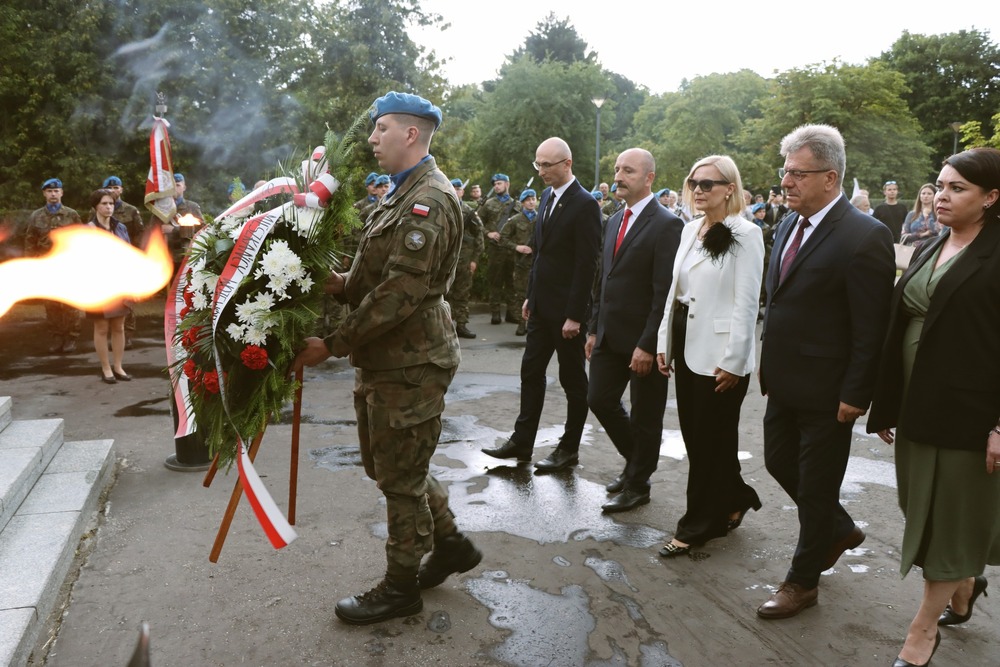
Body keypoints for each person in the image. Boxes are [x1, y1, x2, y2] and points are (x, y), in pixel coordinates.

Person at [293, 92, 481, 626]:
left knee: (400, 478)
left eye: (380, 130)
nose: (371, 140)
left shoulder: (430, 201)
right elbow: (376, 275)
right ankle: (449, 544)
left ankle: (400, 587)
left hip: (411, 361)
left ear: (411, 135)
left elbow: (400, 293)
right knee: (392, 465)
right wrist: (335, 280)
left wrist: (331, 344)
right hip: (388, 359)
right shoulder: (401, 194)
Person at [867, 148, 1000, 667]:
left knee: (948, 523)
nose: (941, 196)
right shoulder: (932, 242)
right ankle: (964, 584)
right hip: (918, 405)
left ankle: (921, 634)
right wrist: (888, 400)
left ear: (992, 198)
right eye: (940, 185)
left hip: (969, 414)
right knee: (918, 509)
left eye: (957, 188)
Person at [756, 124, 895, 620]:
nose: (786, 182)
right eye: (785, 171)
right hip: (783, 384)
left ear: (830, 177)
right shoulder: (790, 225)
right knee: (777, 463)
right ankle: (837, 529)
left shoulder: (865, 236)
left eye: (797, 173)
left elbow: (870, 327)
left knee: (816, 489)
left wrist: (857, 393)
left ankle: (802, 582)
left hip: (830, 392)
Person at [654, 155, 764, 554]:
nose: (699, 190)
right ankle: (735, 497)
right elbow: (674, 293)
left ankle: (698, 524)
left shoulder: (746, 234)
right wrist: (664, 343)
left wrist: (735, 360)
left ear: (729, 188)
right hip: (686, 342)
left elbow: (747, 303)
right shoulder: (689, 230)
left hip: (721, 352)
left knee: (708, 439)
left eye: (709, 184)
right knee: (701, 437)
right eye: (694, 183)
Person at [481, 137, 601, 471]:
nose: (542, 170)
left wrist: (576, 315)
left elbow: (587, 263)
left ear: (568, 163)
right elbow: (540, 253)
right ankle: (522, 442)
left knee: (573, 380)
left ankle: (569, 448)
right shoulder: (547, 197)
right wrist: (531, 297)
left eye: (547, 164)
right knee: (531, 372)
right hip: (541, 307)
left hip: (567, 314)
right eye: (538, 164)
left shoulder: (585, 204)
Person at [587, 148, 682, 512]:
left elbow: (664, 293)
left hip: (645, 341)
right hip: (609, 335)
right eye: (616, 169)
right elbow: (603, 281)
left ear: (649, 178)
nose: (618, 176)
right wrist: (594, 328)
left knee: (646, 415)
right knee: (599, 399)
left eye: (628, 170)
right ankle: (637, 463)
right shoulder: (612, 220)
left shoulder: (667, 224)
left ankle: (638, 482)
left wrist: (648, 344)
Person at [24, 178, 84, 353]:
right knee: (51, 305)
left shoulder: (72, 215)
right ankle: (57, 337)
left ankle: (71, 338)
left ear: (62, 193)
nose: (53, 194)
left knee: (70, 304)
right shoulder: (36, 216)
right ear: (44, 193)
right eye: (49, 191)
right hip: (46, 268)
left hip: (68, 267)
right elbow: (30, 242)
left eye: (56, 191)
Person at [85, 189, 132, 384]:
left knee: (119, 327)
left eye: (111, 204)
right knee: (102, 327)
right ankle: (106, 368)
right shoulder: (89, 229)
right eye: (104, 203)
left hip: (120, 284)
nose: (108, 207)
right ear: (96, 206)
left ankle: (118, 366)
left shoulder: (120, 228)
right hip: (98, 285)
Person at [100, 176, 145, 349]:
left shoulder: (131, 210)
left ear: (121, 190)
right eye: (109, 188)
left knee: (127, 299)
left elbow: (139, 234)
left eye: (116, 187)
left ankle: (127, 333)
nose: (113, 191)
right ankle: (112, 334)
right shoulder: (97, 210)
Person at [478, 174, 521, 325]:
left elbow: (521, 227)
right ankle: (495, 314)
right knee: (495, 282)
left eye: (499, 183)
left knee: (512, 282)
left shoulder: (517, 205)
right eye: (495, 184)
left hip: (511, 250)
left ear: (507, 184)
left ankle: (512, 313)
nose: (496, 186)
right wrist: (488, 233)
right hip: (495, 249)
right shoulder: (488, 204)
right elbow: (477, 223)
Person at [446, 178, 484, 339]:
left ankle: (461, 325)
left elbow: (479, 236)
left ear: (462, 192)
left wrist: (474, 259)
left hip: (464, 261)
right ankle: (444, 326)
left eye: (458, 189)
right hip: (445, 261)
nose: (456, 191)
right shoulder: (442, 208)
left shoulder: (469, 211)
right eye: (453, 188)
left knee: (462, 294)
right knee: (443, 295)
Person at [499, 189, 539, 336]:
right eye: (528, 200)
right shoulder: (515, 220)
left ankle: (535, 324)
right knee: (521, 294)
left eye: (533, 199)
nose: (531, 202)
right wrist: (517, 247)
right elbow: (502, 238)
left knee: (539, 294)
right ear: (522, 203)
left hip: (538, 263)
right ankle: (522, 324)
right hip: (521, 264)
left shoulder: (541, 218)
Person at [900, 183, 942, 249]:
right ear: (919, 196)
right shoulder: (912, 214)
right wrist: (921, 234)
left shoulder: (938, 213)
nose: (926, 196)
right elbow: (904, 236)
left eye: (929, 194)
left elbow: (936, 231)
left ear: (934, 196)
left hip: (932, 249)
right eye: (923, 193)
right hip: (913, 250)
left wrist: (926, 216)